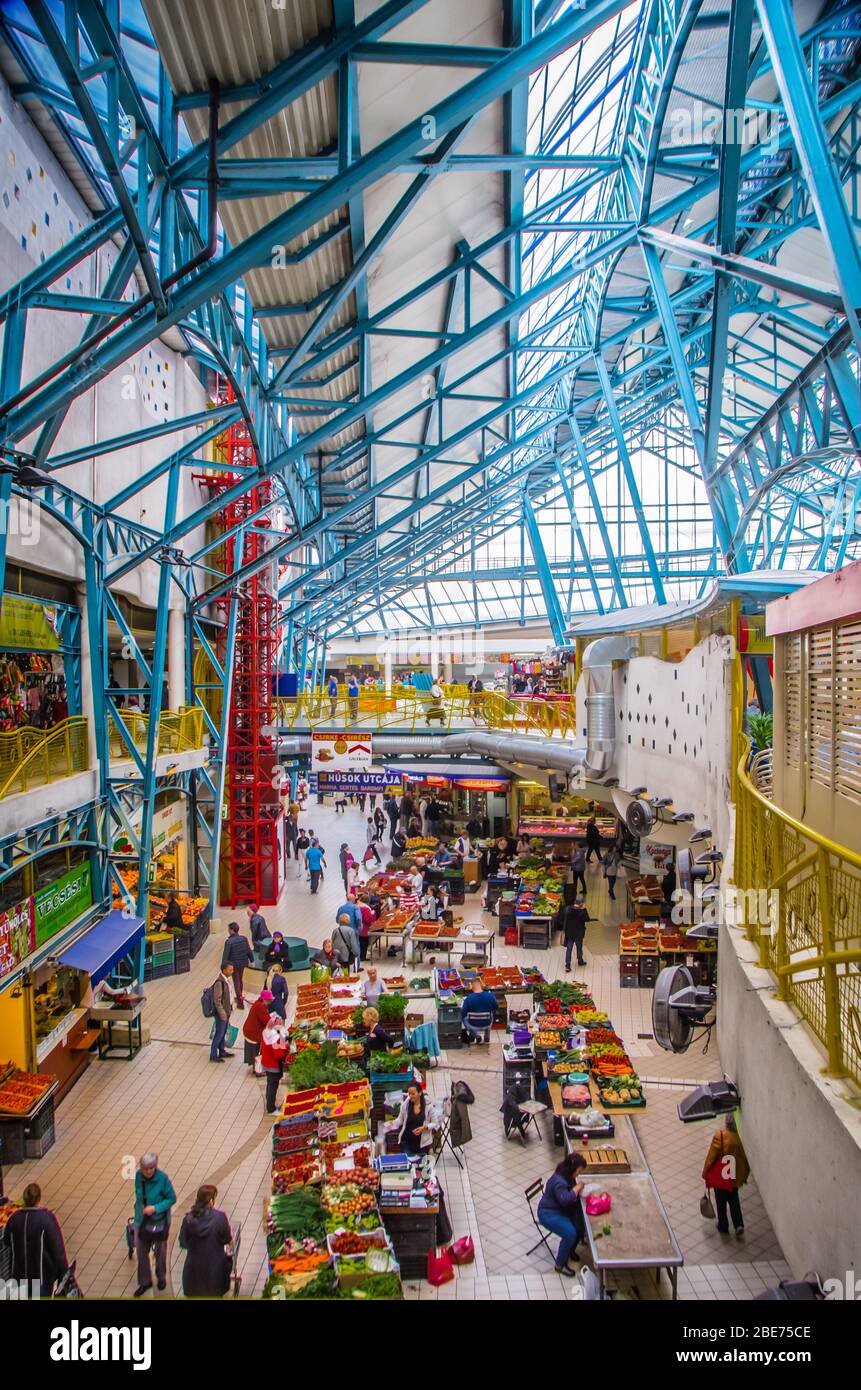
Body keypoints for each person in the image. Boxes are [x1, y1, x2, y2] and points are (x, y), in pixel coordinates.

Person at [6, 1183, 69, 1298]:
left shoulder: (14, 1219)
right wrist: (65, 1271)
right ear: (39, 1199)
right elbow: (57, 1249)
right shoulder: (46, 1219)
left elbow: (6, 1241)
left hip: (19, 1276)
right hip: (41, 1277)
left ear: (24, 1198)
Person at [133, 1153, 176, 1296]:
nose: (148, 1171)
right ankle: (145, 1282)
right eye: (145, 1168)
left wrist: (155, 1208)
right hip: (141, 1221)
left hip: (160, 1222)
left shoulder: (163, 1179)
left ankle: (161, 1276)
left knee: (160, 1251)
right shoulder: (139, 1177)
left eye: (151, 1168)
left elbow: (172, 1198)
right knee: (141, 1252)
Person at [537, 1153, 587, 1276]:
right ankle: (560, 1265)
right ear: (572, 1168)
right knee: (570, 1233)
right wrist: (577, 1188)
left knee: (579, 1223)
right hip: (548, 1213)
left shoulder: (564, 1174)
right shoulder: (560, 1181)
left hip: (557, 1209)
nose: (578, 1174)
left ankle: (569, 1250)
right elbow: (565, 1199)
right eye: (578, 1171)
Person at [179, 1186, 233, 1299]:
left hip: (193, 1273)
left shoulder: (188, 1220)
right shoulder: (219, 1217)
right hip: (215, 1272)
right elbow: (228, 1239)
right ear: (211, 1201)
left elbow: (183, 1243)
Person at [702, 1114, 749, 1237]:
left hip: (722, 1176)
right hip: (733, 1176)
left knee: (720, 1201)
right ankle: (738, 1224)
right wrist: (744, 1176)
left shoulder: (720, 1136)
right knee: (734, 1199)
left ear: (726, 1122)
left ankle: (723, 1225)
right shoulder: (738, 1139)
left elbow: (711, 1157)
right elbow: (744, 1160)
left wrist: (705, 1172)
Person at [396, 1080, 437, 1158]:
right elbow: (400, 1120)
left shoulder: (428, 1106)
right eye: (409, 1094)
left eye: (413, 1094)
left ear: (420, 1093)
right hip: (407, 1143)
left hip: (422, 1145)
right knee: (409, 1164)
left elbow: (435, 1123)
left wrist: (424, 1128)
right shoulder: (405, 1105)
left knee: (421, 1166)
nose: (410, 1096)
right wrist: (391, 1124)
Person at [221, 921, 254, 1008]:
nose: (228, 931)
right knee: (240, 980)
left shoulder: (229, 942)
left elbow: (226, 955)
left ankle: (240, 1003)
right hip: (243, 963)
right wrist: (252, 960)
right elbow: (249, 950)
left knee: (236, 983)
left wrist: (223, 966)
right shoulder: (244, 938)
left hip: (234, 965)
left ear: (232, 930)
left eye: (228, 929)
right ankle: (240, 997)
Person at [261, 1015, 289, 1114]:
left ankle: (269, 1102)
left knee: (269, 1083)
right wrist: (285, 1046)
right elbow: (278, 1054)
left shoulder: (266, 1032)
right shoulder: (275, 1037)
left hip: (267, 1062)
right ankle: (271, 1108)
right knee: (273, 1085)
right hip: (273, 1065)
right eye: (280, 1023)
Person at [461, 977, 498, 1044]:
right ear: (481, 985)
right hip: (487, 1023)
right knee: (490, 1013)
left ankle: (473, 1036)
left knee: (464, 1018)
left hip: (472, 1024)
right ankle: (487, 1038)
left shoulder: (468, 998)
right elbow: (496, 1007)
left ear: (471, 986)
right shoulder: (490, 996)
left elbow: (463, 1013)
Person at [242, 988, 273, 1066]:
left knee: (254, 1052)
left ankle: (255, 1067)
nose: (270, 1002)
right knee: (257, 1052)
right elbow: (267, 1021)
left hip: (248, 1031)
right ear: (265, 1000)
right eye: (269, 1000)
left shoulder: (257, 1003)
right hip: (253, 1033)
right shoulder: (261, 1007)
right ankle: (257, 1069)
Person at [211, 963, 234, 1061]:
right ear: (224, 970)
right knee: (219, 1034)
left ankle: (222, 1051)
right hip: (222, 1014)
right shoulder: (219, 983)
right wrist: (223, 1014)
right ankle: (213, 1055)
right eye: (230, 970)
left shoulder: (226, 981)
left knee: (223, 1033)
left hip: (226, 1012)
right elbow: (217, 1000)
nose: (232, 972)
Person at [560, 897, 590, 971]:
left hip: (569, 933)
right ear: (581, 904)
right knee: (579, 947)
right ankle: (580, 961)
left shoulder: (567, 909)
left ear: (575, 902)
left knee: (569, 949)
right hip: (579, 933)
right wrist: (584, 909)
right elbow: (587, 919)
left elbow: (562, 919)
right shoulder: (581, 912)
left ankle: (568, 965)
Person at [247, 903, 272, 967]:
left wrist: (253, 941)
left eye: (248, 911)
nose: (247, 912)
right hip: (266, 937)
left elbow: (254, 932)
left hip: (261, 939)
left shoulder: (255, 919)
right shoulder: (258, 917)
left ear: (252, 911)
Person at [355, 895, 375, 960]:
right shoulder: (366, 908)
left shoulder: (357, 906)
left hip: (358, 928)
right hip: (364, 928)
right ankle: (362, 957)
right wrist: (372, 914)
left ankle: (360, 956)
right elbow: (367, 919)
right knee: (364, 943)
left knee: (360, 942)